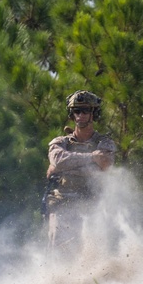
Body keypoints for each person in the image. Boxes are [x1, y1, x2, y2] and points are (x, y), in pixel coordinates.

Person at [44, 90, 117, 255]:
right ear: (72, 114)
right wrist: (92, 157)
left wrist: (68, 163)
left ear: (94, 114)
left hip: (92, 203)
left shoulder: (105, 143)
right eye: (77, 111)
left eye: (85, 110)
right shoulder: (60, 142)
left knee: (95, 251)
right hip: (62, 203)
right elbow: (58, 160)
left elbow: (105, 163)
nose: (81, 115)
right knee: (58, 248)